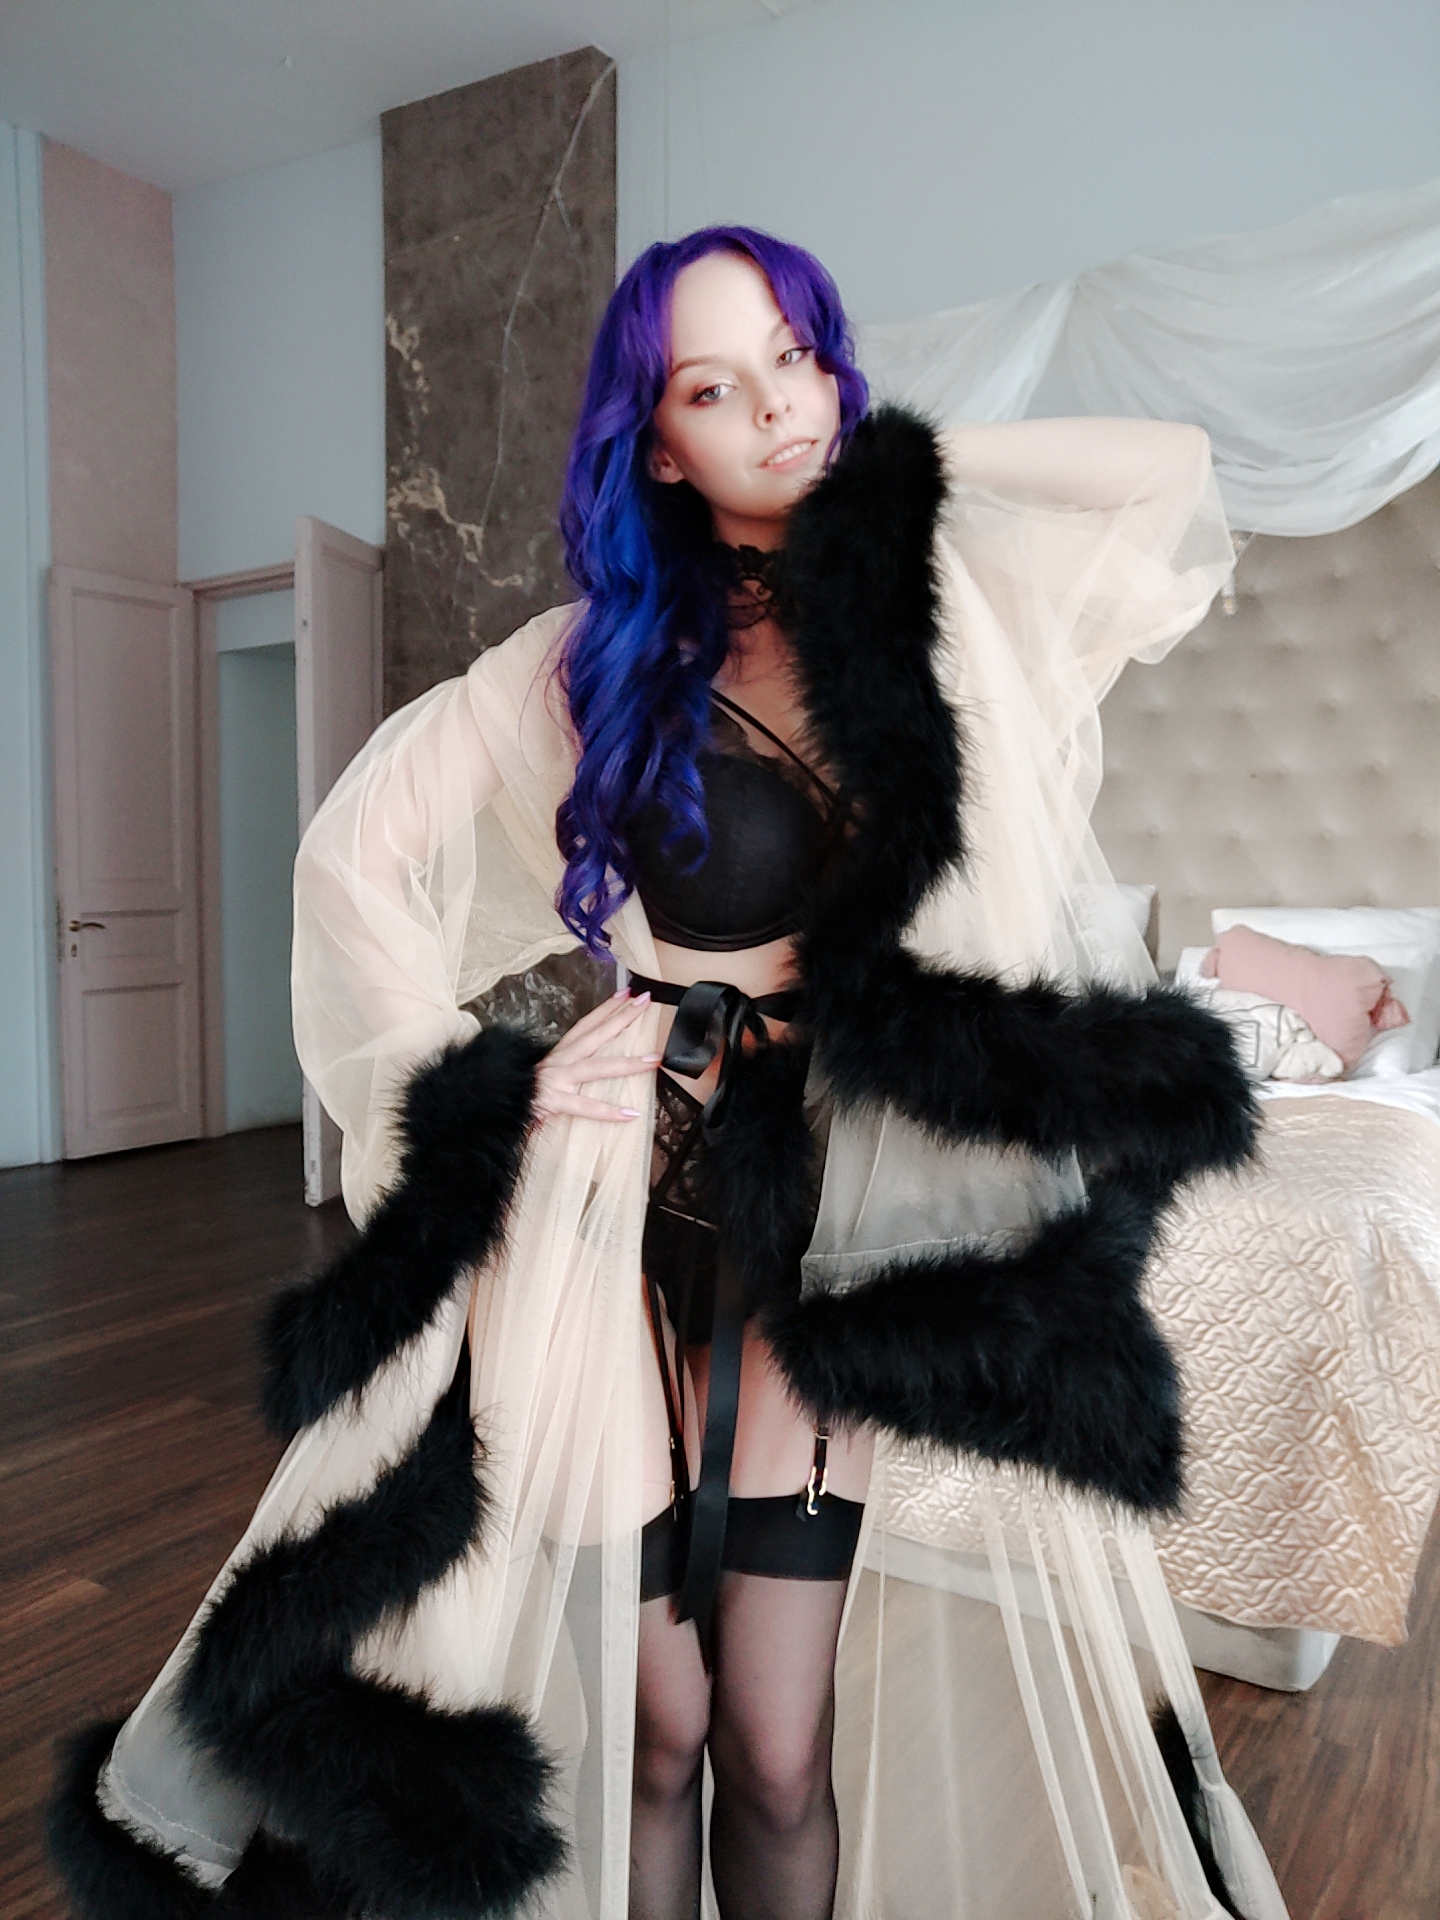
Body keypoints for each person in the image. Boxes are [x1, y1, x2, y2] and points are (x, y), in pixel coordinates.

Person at [49, 227, 1288, 1920]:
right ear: (658, 446)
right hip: (611, 1201)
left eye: (797, 357)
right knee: (659, 1728)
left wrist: (898, 456)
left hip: (828, 1216)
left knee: (775, 1740)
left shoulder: (939, 600)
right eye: (717, 386)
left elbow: (1167, 475)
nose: (774, 408)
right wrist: (473, 1076)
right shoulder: (590, 659)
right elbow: (352, 858)